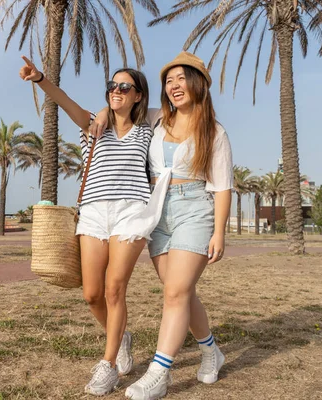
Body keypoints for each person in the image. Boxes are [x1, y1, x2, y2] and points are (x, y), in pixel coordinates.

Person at [91, 51, 233, 399]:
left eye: (181, 78)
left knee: (175, 292)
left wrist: (219, 231)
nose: (174, 86)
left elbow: (223, 185)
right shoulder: (156, 119)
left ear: (197, 83)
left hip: (195, 209)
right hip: (156, 213)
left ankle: (159, 372)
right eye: (169, 81)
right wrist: (103, 110)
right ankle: (211, 350)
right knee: (181, 291)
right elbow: (119, 108)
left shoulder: (214, 131)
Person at [19, 56, 159, 396]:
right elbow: (65, 102)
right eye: (112, 86)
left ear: (139, 95)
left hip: (131, 211)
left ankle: (108, 365)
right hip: (94, 212)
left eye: (125, 87)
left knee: (114, 288)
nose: (116, 91)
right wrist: (41, 78)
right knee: (92, 293)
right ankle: (121, 336)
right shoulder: (93, 125)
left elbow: (177, 111)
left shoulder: (148, 128)